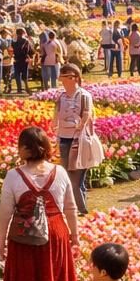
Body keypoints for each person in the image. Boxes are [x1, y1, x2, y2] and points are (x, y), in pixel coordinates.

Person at [0, 127, 80, 281]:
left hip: (24, 237)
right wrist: (75, 236)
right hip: (55, 233)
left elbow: (5, 214)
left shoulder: (14, 176)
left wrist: (2, 240)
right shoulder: (60, 172)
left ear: (26, 148)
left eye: (20, 144)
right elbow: (71, 207)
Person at [53, 64, 95, 216]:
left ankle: (80, 209)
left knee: (76, 177)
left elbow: (87, 114)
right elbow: (56, 114)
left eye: (68, 77)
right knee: (68, 175)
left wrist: (80, 126)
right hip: (64, 138)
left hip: (79, 140)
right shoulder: (61, 97)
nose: (64, 80)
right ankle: (75, 208)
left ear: (75, 78)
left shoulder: (84, 96)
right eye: (63, 77)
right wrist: (54, 128)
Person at [11, 28, 33, 93]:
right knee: (25, 73)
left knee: (17, 74)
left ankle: (19, 88)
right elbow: (29, 50)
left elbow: (11, 50)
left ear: (17, 33)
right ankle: (26, 87)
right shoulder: (25, 41)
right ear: (23, 33)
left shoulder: (13, 41)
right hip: (24, 59)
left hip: (16, 59)